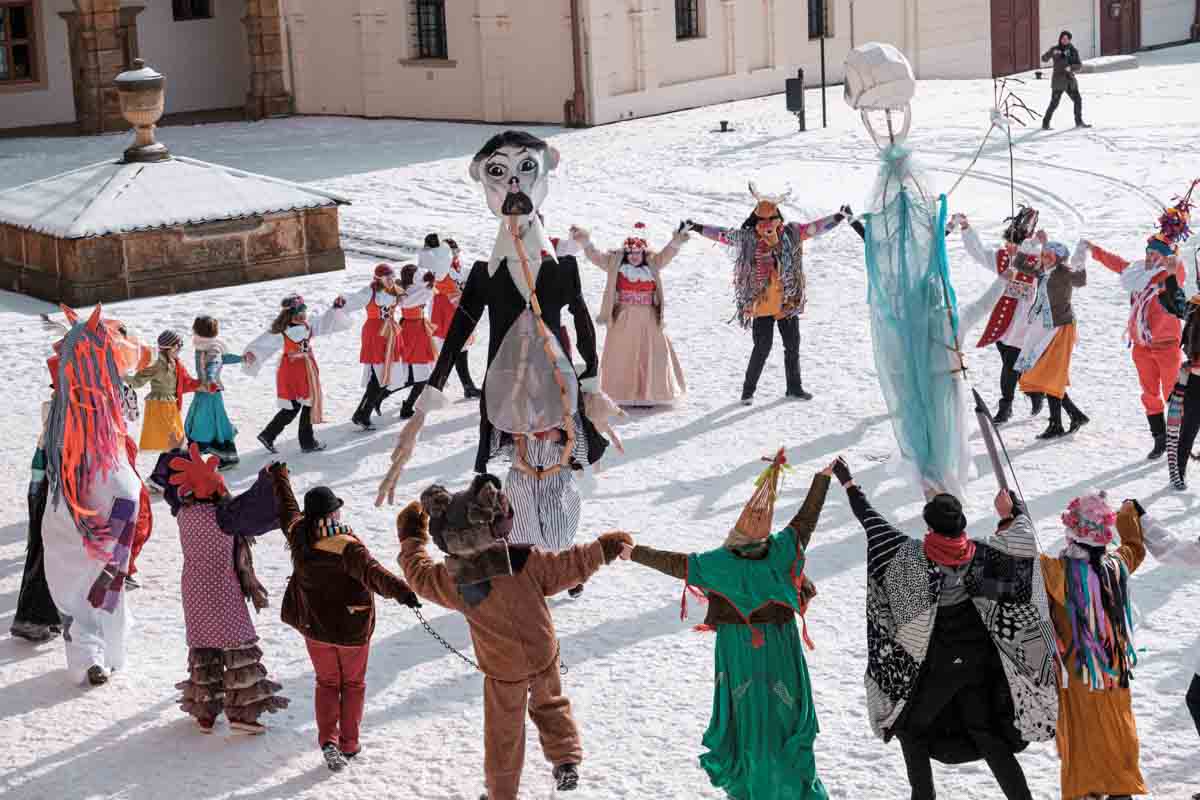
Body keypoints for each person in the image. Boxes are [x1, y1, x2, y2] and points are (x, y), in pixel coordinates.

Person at [832, 457, 1058, 800]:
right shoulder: (982, 558)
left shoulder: (914, 561)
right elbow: (1021, 538)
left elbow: (872, 523)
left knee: (910, 728)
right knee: (984, 731)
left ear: (929, 526)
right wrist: (1010, 512)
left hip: (941, 667)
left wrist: (849, 483)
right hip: (979, 665)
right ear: (961, 523)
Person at [397, 475, 631, 799]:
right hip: (542, 652)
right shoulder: (524, 560)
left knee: (503, 733)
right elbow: (569, 565)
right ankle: (565, 759)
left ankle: (501, 793)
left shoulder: (453, 580)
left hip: (503, 668)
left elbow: (419, 575)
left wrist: (411, 538)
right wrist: (604, 548)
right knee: (550, 702)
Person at [619, 450, 827, 800]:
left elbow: (675, 564)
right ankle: (791, 786)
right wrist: (822, 480)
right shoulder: (781, 550)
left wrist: (634, 553)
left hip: (739, 649)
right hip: (780, 645)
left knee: (747, 718)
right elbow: (806, 520)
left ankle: (752, 786)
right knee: (784, 713)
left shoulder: (719, 563)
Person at [271, 463, 420, 772]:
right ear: (331, 514)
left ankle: (329, 740)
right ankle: (349, 744)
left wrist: (279, 477)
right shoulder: (346, 547)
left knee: (326, 683)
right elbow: (375, 575)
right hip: (351, 631)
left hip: (315, 629)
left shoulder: (299, 534)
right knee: (352, 685)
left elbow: (288, 509)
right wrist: (405, 593)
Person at [40, 305, 153, 686]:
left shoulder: (64, 414)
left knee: (86, 579)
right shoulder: (100, 411)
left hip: (72, 500)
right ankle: (104, 652)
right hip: (106, 498)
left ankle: (89, 652)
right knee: (106, 581)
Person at [157, 443, 288, 734]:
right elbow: (255, 506)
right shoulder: (224, 516)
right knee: (237, 646)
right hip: (223, 589)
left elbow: (170, 482)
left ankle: (205, 713)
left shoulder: (183, 514)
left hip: (193, 589)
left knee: (204, 648)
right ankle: (243, 715)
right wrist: (269, 477)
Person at [683, 186, 847, 404]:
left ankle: (794, 387)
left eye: (772, 219)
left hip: (787, 301)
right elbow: (722, 234)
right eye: (762, 220)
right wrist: (697, 227)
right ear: (755, 221)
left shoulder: (791, 234)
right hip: (762, 303)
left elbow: (814, 228)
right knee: (762, 347)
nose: (768, 225)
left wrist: (837, 217)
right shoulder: (748, 238)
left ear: (779, 219)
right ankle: (747, 392)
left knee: (792, 346)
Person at [1041, 493, 1147, 800]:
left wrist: (1012, 517)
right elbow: (1135, 547)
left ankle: (1088, 789)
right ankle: (1120, 788)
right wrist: (1128, 512)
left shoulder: (1056, 572)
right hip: (1113, 669)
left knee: (1082, 731)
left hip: (1077, 671)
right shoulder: (1117, 564)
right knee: (1116, 725)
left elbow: (1021, 556)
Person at [1085, 192, 1193, 459]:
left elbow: (1178, 274)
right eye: (1148, 252)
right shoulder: (1137, 273)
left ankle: (1177, 440)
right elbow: (1118, 264)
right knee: (1149, 394)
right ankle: (1159, 439)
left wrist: (1172, 258)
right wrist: (1094, 251)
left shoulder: (1169, 275)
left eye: (1155, 253)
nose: (1150, 256)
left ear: (1164, 257)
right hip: (1142, 346)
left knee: (1173, 395)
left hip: (1167, 346)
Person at [571, 221, 690, 406]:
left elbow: (667, 254)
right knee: (622, 353)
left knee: (652, 353)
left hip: (648, 317)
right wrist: (585, 241)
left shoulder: (653, 263)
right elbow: (596, 257)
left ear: (643, 253)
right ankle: (621, 393)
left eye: (638, 253)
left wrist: (677, 239)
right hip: (624, 317)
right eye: (631, 253)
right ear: (626, 253)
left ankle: (650, 393)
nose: (634, 257)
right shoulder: (615, 263)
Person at [952, 207, 1045, 424]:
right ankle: (1033, 391)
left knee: (1011, 363)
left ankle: (1007, 406)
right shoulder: (1005, 257)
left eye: (1014, 242)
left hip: (1024, 321)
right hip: (1003, 321)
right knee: (1009, 359)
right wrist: (966, 228)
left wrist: (1034, 243)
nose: (1009, 246)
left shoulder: (1037, 259)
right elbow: (979, 252)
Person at [244, 292, 351, 454]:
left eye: (303, 312)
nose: (302, 316)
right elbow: (264, 343)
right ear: (289, 315)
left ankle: (269, 435)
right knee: (306, 403)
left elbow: (325, 322)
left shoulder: (308, 326)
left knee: (294, 406)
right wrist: (253, 353)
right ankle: (307, 442)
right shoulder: (282, 331)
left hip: (305, 369)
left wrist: (335, 309)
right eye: (298, 313)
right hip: (294, 371)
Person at [1014, 235, 1090, 439]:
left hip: (1061, 328)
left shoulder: (1064, 271)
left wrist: (1080, 259)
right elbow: (1018, 264)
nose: (1045, 258)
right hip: (1043, 327)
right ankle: (1072, 416)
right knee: (1047, 375)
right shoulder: (1042, 270)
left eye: (1049, 255)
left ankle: (1058, 423)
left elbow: (1080, 281)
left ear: (1058, 258)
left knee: (1049, 375)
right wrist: (1030, 244)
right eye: (1043, 254)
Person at [342, 263, 405, 430]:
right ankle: (362, 415)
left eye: (392, 277)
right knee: (379, 376)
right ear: (378, 278)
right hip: (375, 333)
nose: (391, 280)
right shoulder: (369, 292)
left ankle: (361, 414)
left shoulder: (394, 289)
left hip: (390, 333)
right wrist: (341, 304)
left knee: (381, 377)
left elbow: (409, 298)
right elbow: (352, 302)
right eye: (387, 277)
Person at [127, 329, 199, 465]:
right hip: (159, 406)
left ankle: (166, 473)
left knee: (175, 443)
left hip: (171, 406)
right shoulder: (156, 364)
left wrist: (203, 385)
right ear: (170, 347)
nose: (180, 348)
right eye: (178, 345)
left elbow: (186, 383)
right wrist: (121, 376)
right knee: (176, 441)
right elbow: (137, 382)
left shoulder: (176, 364)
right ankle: (185, 468)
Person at [426, 234, 481, 399]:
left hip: (456, 309)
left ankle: (467, 386)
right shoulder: (440, 271)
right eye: (452, 252)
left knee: (459, 348)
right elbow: (448, 289)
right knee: (449, 350)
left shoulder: (458, 267)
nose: (456, 254)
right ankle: (434, 388)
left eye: (456, 251)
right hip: (445, 311)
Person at [185, 316, 244, 469]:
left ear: (197, 330)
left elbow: (215, 362)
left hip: (209, 391)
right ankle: (225, 456)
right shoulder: (205, 345)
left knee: (205, 423)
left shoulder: (212, 348)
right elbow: (224, 358)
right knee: (208, 422)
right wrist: (241, 358)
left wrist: (210, 379)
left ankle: (218, 456)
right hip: (204, 390)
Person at [1160, 271, 1200, 488]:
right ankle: (1179, 473)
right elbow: (1176, 304)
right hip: (1194, 381)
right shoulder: (1195, 306)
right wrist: (1170, 275)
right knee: (1187, 429)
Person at [395, 263, 438, 419]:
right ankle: (406, 406)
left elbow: (426, 289)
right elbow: (425, 293)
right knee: (420, 374)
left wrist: (429, 282)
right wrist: (430, 284)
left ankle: (400, 402)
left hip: (416, 327)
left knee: (415, 373)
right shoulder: (407, 294)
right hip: (414, 330)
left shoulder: (411, 289)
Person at [1041, 31, 1089, 130]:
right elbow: (1044, 59)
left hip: (1070, 81)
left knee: (1077, 100)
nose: (1064, 40)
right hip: (1058, 81)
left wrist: (1071, 68)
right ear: (1060, 39)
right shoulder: (1055, 49)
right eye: (1063, 38)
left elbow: (1079, 65)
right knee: (1054, 103)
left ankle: (1079, 122)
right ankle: (1045, 123)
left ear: (1069, 40)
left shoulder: (1073, 51)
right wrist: (1051, 53)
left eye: (1066, 39)